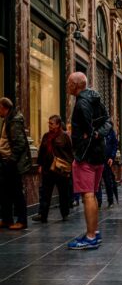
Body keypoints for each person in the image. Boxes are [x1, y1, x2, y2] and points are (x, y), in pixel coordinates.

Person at [67, 72, 111, 250]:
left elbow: (88, 130)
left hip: (86, 155)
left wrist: (89, 137)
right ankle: (94, 232)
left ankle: (91, 236)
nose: (67, 85)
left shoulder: (81, 103)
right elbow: (108, 122)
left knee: (88, 195)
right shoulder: (96, 99)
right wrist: (98, 134)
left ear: (77, 85)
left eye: (69, 82)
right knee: (91, 193)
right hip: (98, 154)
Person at [33, 115, 73, 223]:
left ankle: (65, 213)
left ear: (58, 124)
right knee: (45, 193)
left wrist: (69, 167)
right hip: (48, 169)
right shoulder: (46, 136)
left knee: (63, 193)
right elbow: (42, 151)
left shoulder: (64, 136)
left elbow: (70, 153)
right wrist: (40, 165)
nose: (49, 125)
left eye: (51, 123)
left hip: (60, 170)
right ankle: (43, 215)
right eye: (49, 123)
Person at [0, 97, 32, 230]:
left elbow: (19, 144)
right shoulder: (8, 119)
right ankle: (7, 219)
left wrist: (11, 161)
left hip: (12, 163)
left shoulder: (14, 120)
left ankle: (22, 220)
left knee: (16, 192)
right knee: (5, 192)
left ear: (4, 107)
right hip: (6, 161)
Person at [96, 126, 119, 208]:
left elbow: (115, 144)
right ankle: (98, 201)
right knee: (97, 182)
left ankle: (110, 200)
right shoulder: (95, 129)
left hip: (107, 160)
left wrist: (112, 157)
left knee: (108, 181)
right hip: (97, 159)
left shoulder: (110, 130)